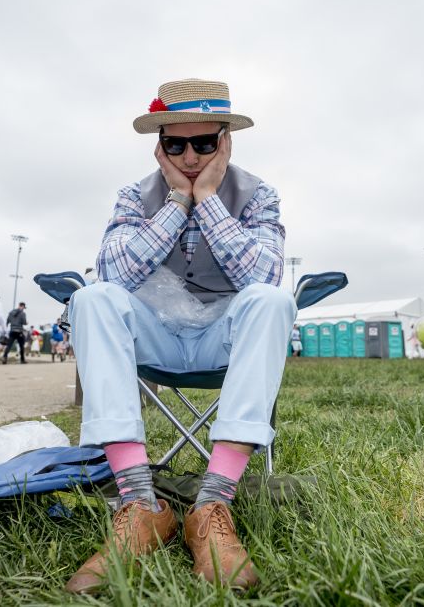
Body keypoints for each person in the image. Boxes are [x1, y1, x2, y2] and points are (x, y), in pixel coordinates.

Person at [63, 79, 293, 594]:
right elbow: (113, 272)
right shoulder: (134, 195)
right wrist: (175, 203)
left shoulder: (259, 195)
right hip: (157, 336)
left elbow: (264, 277)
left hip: (222, 336)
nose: (190, 156)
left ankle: (213, 503)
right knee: (92, 297)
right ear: (160, 144)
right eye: (176, 144)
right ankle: (141, 503)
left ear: (226, 141)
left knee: (273, 301)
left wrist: (207, 198)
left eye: (205, 144)